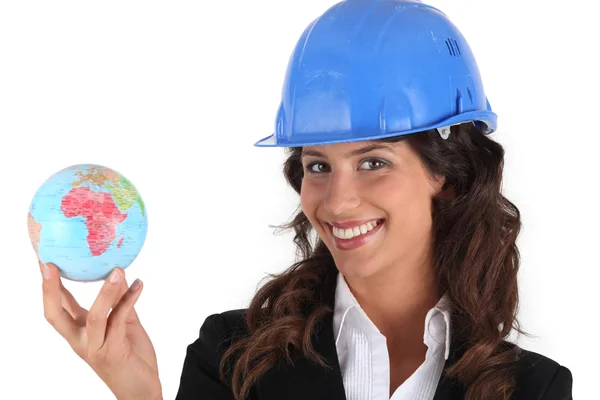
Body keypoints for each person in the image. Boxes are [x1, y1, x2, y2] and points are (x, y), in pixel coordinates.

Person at [38, 0, 573, 399]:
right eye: (318, 165)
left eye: (373, 162)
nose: (337, 202)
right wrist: (138, 392)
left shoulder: (533, 389)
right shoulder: (232, 357)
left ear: (448, 176)